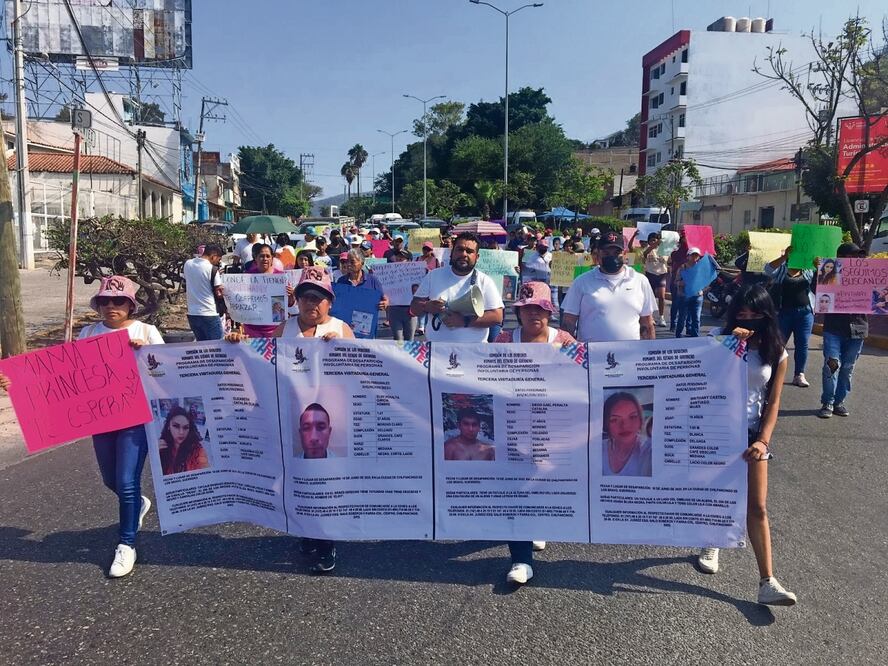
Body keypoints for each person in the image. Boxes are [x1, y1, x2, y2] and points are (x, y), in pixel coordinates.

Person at [0, 276, 163, 578]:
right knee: (111, 480)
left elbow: (166, 371)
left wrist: (147, 355)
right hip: (100, 418)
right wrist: (14, 382)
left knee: (127, 481)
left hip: (135, 418)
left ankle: (126, 544)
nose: (111, 306)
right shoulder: (88, 333)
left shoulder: (147, 331)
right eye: (105, 301)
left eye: (118, 301)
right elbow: (58, 377)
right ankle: (138, 504)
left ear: (130, 305)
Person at [696, 282, 796, 606]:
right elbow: (699, 382)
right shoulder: (716, 341)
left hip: (753, 433)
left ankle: (767, 581)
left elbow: (774, 402)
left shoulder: (777, 352)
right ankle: (712, 542)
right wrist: (728, 348)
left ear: (767, 315)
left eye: (755, 312)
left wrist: (764, 440)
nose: (748, 318)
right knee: (717, 495)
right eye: (742, 312)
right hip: (718, 429)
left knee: (758, 505)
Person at [493, 280, 576, 585]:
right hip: (514, 425)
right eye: (526, 309)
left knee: (543, 484)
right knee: (517, 488)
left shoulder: (565, 339)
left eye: (539, 308)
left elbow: (583, 377)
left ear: (549, 311)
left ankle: (537, 523)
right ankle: (521, 559)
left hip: (552, 426)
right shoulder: (504, 339)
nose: (533, 314)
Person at [561, 230, 657, 342]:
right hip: (591, 356)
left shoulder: (640, 281)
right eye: (606, 253)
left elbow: (647, 323)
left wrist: (649, 352)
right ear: (598, 254)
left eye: (617, 253)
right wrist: (567, 355)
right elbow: (568, 322)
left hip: (630, 356)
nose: (612, 257)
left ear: (625, 253)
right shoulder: (581, 282)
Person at [411, 232, 504, 343]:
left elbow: (497, 317)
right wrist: (426, 306)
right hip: (436, 352)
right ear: (451, 253)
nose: (464, 254)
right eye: (460, 249)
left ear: (477, 257)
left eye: (469, 251)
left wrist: (464, 321)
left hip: (472, 353)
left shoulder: (485, 281)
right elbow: (414, 308)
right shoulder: (433, 276)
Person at [818, 243, 869, 419]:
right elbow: (816, 292)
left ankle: (839, 402)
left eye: (858, 257)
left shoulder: (865, 274)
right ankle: (828, 402)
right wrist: (819, 272)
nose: (855, 260)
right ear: (840, 257)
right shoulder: (829, 272)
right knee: (831, 366)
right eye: (851, 256)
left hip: (858, 328)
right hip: (834, 328)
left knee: (847, 368)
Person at [765, 246, 817, 387]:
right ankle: (772, 373)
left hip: (805, 313)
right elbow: (768, 269)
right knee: (779, 344)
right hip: (783, 313)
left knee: (802, 344)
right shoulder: (782, 270)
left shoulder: (808, 271)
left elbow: (825, 276)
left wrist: (818, 264)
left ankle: (799, 374)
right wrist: (783, 257)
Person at [242, 244, 291, 338]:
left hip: (276, 328)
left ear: (272, 259)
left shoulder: (281, 277)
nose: (265, 259)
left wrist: (291, 294)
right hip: (252, 328)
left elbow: (290, 303)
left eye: (268, 256)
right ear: (255, 258)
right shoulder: (247, 276)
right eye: (261, 256)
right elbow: (240, 298)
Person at [602, 392, 652, 477]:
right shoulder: (597, 448)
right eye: (615, 420)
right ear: (606, 423)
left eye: (632, 417)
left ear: (640, 419)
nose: (625, 426)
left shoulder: (649, 450)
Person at [183, 243, 225, 341]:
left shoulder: (188, 264)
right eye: (218, 259)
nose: (218, 262)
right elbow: (219, 293)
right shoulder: (212, 269)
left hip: (192, 314)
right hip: (209, 313)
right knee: (216, 347)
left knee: (202, 348)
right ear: (213, 256)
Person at [158, 406, 210, 475]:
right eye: (176, 426)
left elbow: (205, 468)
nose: (181, 432)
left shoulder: (197, 450)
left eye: (185, 427)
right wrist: (155, 455)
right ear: (168, 426)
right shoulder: (160, 447)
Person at [387, 250, 418, 341]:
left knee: (409, 339)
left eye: (402, 258)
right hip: (394, 310)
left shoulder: (416, 274)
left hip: (410, 310)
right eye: (397, 258)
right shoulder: (389, 273)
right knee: (398, 339)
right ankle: (398, 354)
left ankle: (407, 355)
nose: (399, 260)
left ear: (409, 261)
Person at [675, 248, 704, 338]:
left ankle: (695, 338)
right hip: (685, 296)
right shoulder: (683, 268)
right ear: (688, 256)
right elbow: (676, 282)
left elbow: (704, 281)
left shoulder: (701, 268)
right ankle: (677, 336)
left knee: (696, 319)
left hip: (697, 296)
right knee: (682, 318)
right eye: (693, 255)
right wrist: (682, 283)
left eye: (697, 255)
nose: (695, 257)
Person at [642, 233, 669, 327]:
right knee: (650, 297)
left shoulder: (664, 250)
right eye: (651, 240)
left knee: (661, 297)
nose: (653, 241)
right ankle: (651, 317)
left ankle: (661, 317)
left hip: (661, 275)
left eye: (655, 240)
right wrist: (653, 245)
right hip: (650, 275)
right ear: (649, 241)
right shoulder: (647, 249)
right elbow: (645, 254)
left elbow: (669, 261)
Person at [669, 230, 690, 331]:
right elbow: (672, 258)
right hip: (677, 281)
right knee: (676, 303)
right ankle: (673, 323)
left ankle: (687, 325)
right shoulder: (677, 252)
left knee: (688, 304)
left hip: (689, 282)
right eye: (685, 238)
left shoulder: (693, 252)